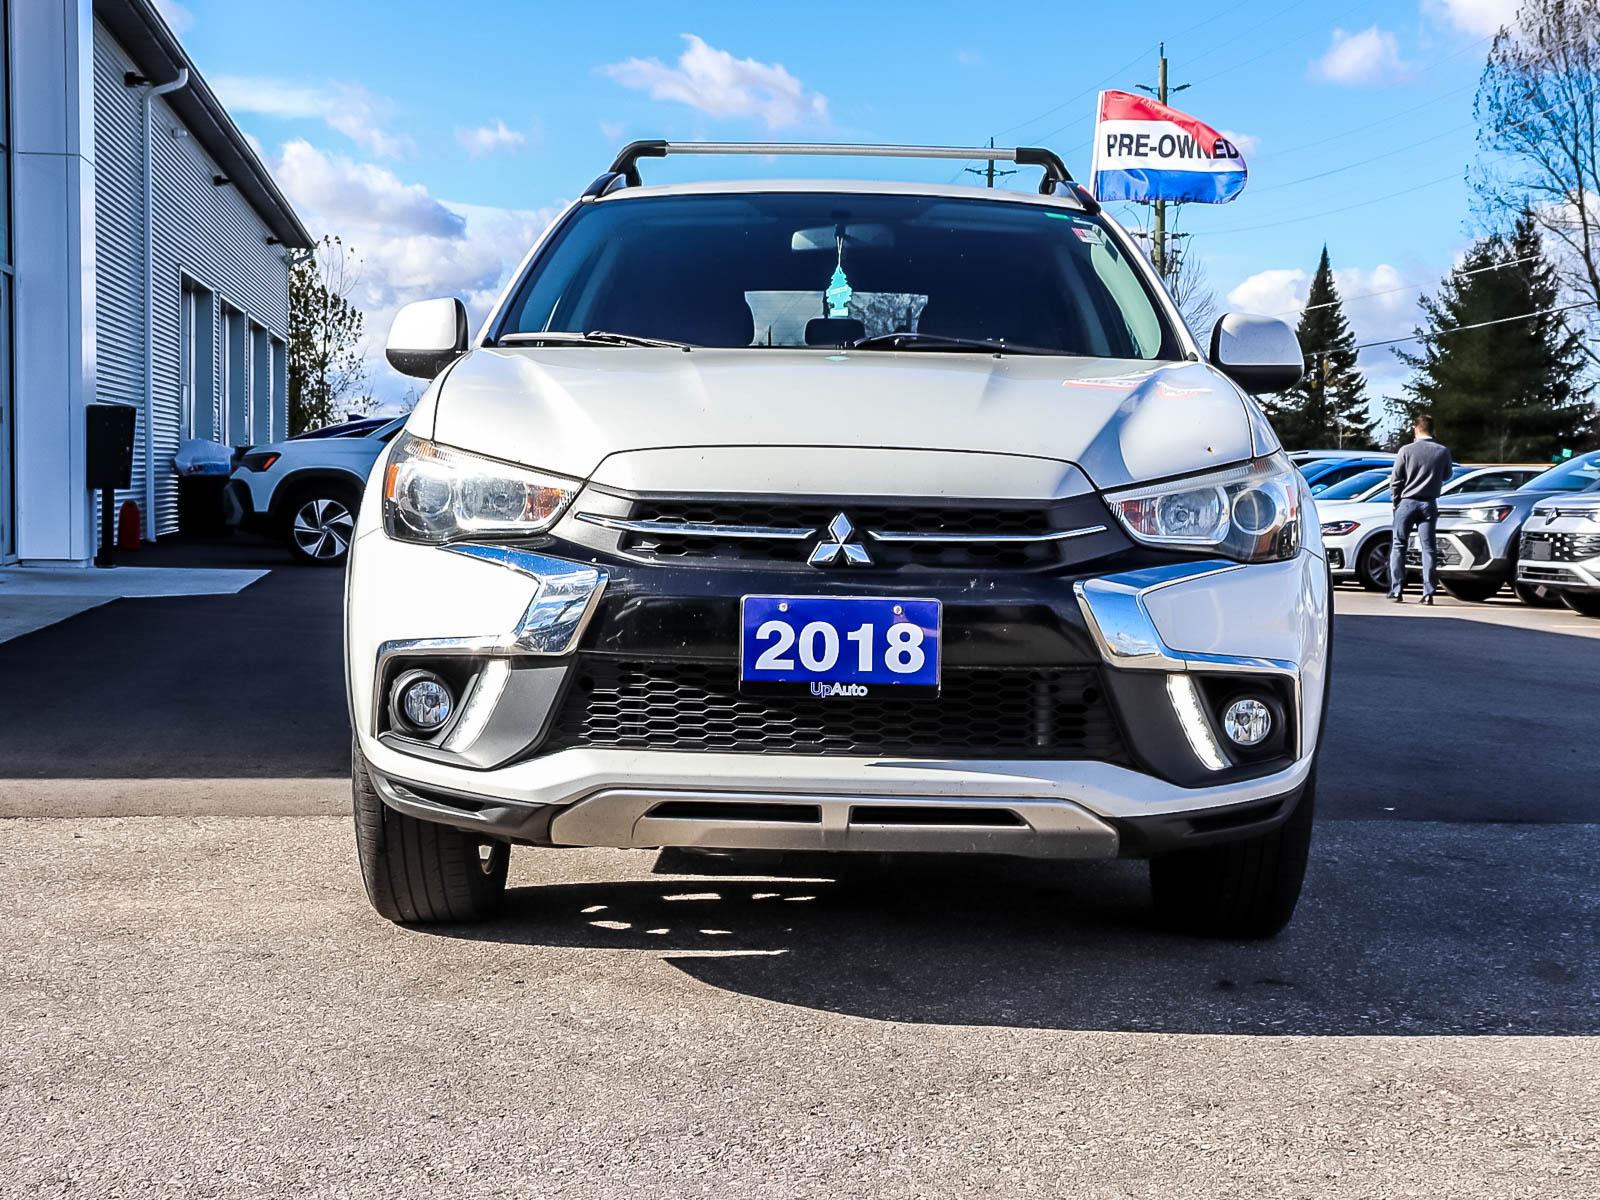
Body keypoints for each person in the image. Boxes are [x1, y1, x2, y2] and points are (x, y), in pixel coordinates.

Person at [1388, 413, 1453, 604]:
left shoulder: (1406, 450)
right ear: (1433, 430)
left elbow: (1396, 479)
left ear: (1416, 428)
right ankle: (1428, 592)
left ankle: (1397, 589)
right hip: (1429, 502)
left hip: (1407, 501)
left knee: (1399, 545)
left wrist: (1396, 502)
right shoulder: (1442, 451)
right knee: (1428, 548)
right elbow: (1447, 475)